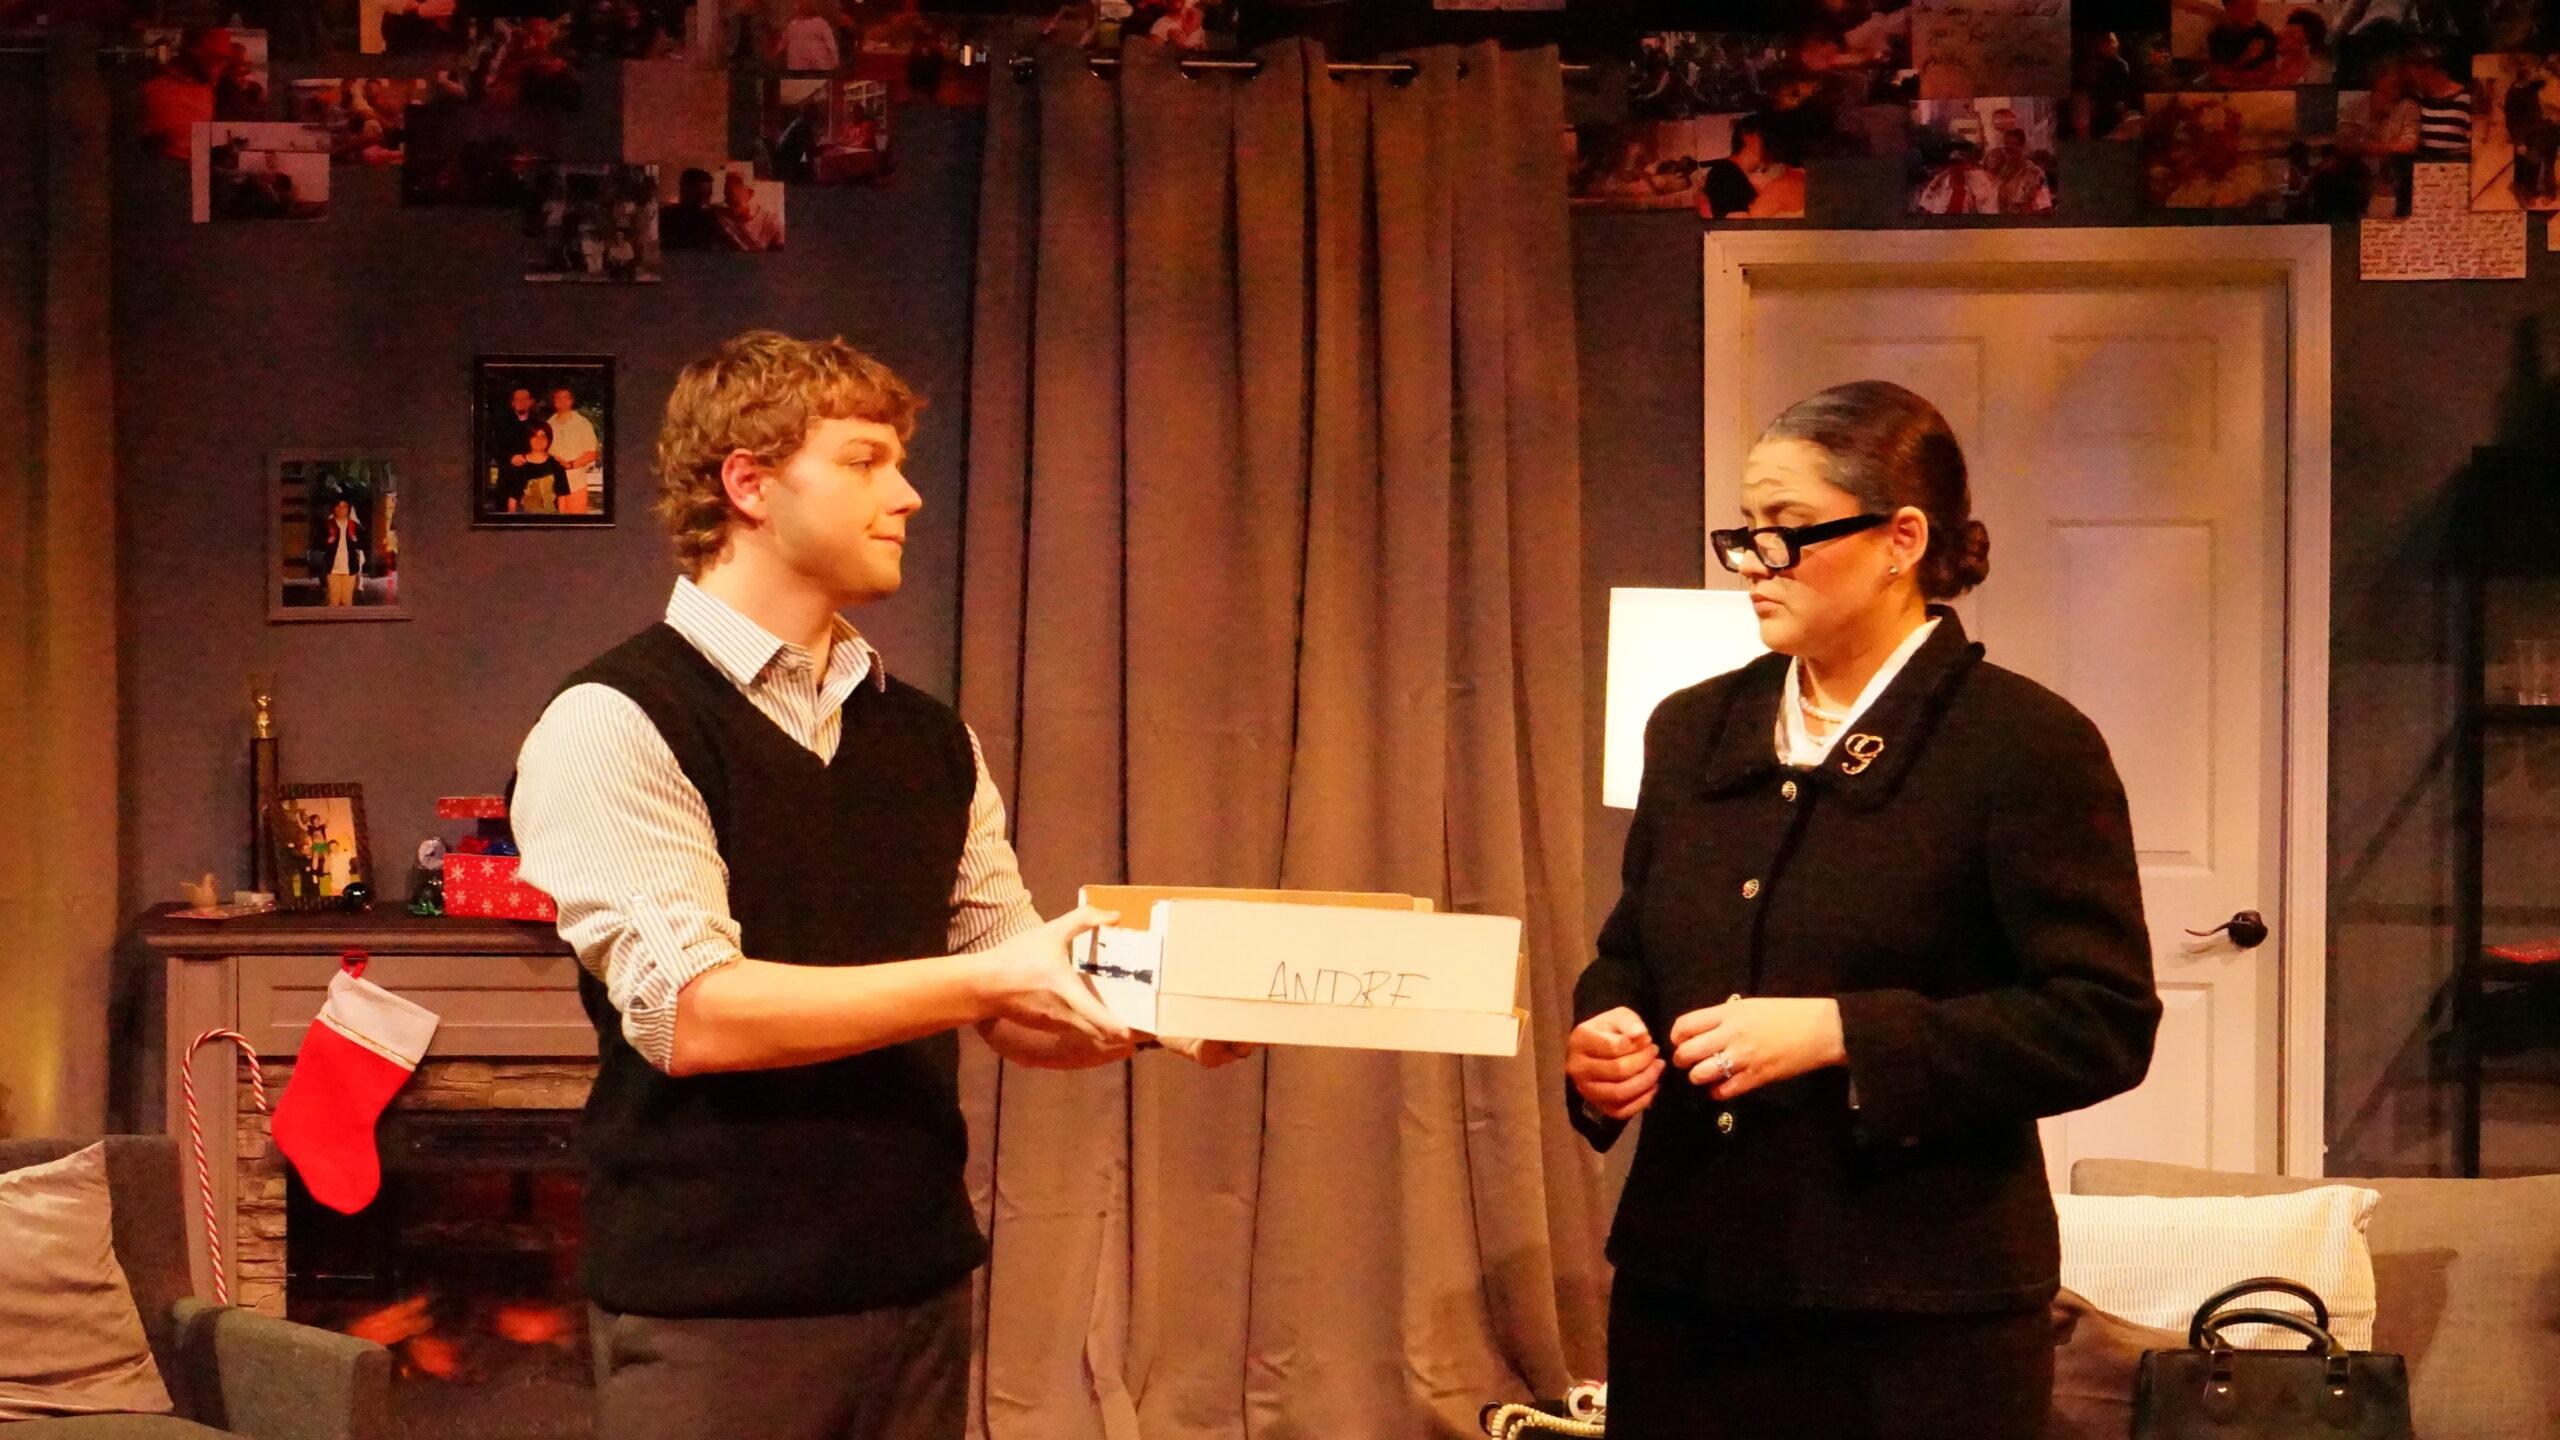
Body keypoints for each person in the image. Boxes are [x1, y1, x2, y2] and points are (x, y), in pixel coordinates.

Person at [512, 331, 1244, 1440]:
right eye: (863, 461)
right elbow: (696, 1017)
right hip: (714, 1312)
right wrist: (990, 980)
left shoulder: (929, 738)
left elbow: (1015, 1001)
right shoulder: (614, 720)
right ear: (749, 485)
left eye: (899, 464)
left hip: (916, 1287)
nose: (905, 496)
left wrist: (1158, 1015)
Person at [1566, 380, 2159, 1440]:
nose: (1754, 562)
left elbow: (2100, 1022)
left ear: (1901, 540)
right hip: (1687, 1290)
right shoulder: (1692, 729)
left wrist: (1843, 1032)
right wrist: (1605, 1035)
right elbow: (1633, 953)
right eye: (1745, 530)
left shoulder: (2023, 744)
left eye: (1787, 530)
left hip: (1917, 1315)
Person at [546, 388, 603, 513]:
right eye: (558, 398)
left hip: (576, 483)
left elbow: (592, 453)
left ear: (571, 401)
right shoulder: (548, 425)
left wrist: (570, 465)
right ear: (553, 401)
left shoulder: (582, 423)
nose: (561, 401)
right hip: (552, 485)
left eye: (565, 398)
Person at [1915, 138, 1998, 213]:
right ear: (1948, 164)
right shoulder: (1939, 182)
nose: (1956, 166)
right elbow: (1926, 208)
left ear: (1965, 163)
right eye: (1953, 163)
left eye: (1960, 162)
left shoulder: (1974, 179)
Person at [507, 422, 570, 514]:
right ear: (528, 438)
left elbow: (562, 498)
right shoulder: (519, 464)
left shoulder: (557, 465)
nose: (539, 440)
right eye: (534, 436)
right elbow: (512, 499)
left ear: (549, 439)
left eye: (543, 436)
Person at [716, 169, 786, 251]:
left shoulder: (771, 221)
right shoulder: (722, 218)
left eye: (731, 196)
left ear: (750, 194)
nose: (726, 201)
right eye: (726, 196)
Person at [316, 497, 368, 605]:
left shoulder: (354, 526)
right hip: (332, 569)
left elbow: (365, 544)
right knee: (333, 601)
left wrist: (356, 541)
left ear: (348, 509)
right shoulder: (328, 525)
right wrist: (327, 542)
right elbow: (317, 543)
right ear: (334, 508)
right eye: (338, 506)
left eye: (344, 507)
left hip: (349, 569)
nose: (341, 510)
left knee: (347, 601)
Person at [662, 167, 723, 248]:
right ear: (683, 191)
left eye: (707, 196)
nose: (703, 202)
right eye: (698, 195)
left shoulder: (714, 218)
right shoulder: (666, 218)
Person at [773, 0, 841, 71]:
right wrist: (775, 52)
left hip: (816, 64)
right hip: (798, 63)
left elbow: (830, 43)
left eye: (797, 6)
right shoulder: (793, 24)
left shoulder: (820, 23)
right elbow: (784, 41)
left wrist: (835, 60)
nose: (794, 8)